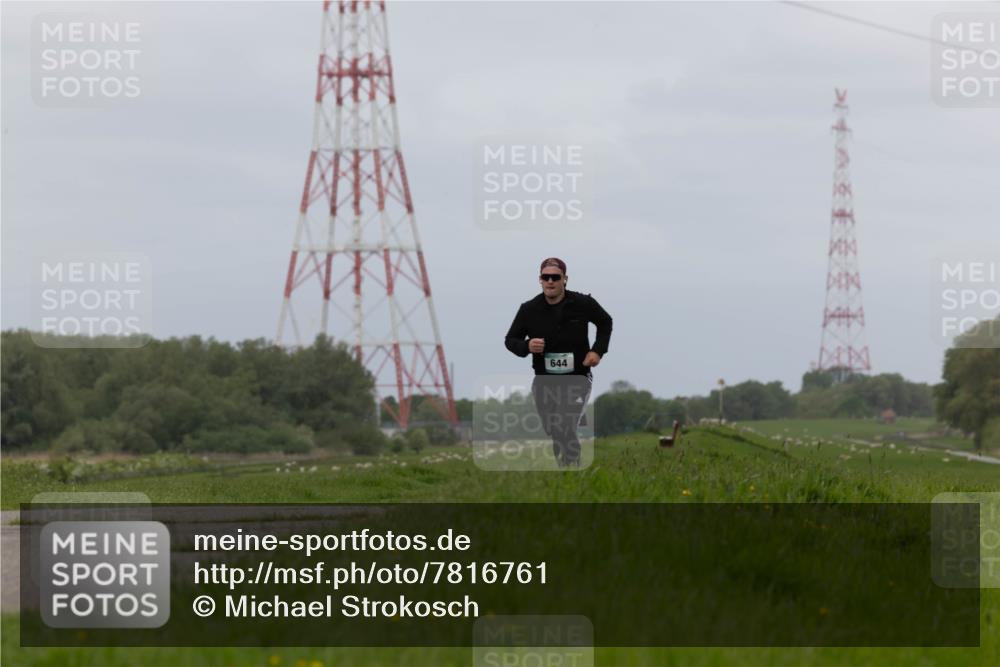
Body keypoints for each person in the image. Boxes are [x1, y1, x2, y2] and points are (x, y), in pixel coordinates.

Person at [504, 257, 613, 467]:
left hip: (577, 377)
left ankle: (572, 470)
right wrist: (527, 346)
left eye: (556, 277)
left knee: (564, 423)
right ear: (540, 280)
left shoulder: (582, 303)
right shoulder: (529, 309)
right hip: (544, 380)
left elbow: (605, 322)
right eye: (546, 277)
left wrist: (597, 351)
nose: (551, 281)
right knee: (554, 428)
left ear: (565, 279)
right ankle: (565, 471)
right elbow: (510, 340)